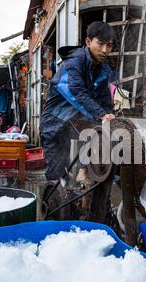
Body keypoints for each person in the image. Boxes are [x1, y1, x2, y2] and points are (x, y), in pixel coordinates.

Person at [40, 21, 117, 181]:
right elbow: (76, 91)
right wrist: (102, 114)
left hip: (78, 125)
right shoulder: (74, 62)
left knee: (85, 172)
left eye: (109, 46)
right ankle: (53, 202)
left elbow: (104, 98)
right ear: (88, 42)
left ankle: (82, 192)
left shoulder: (103, 68)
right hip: (56, 125)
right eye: (100, 44)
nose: (105, 50)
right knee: (57, 175)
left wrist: (110, 115)